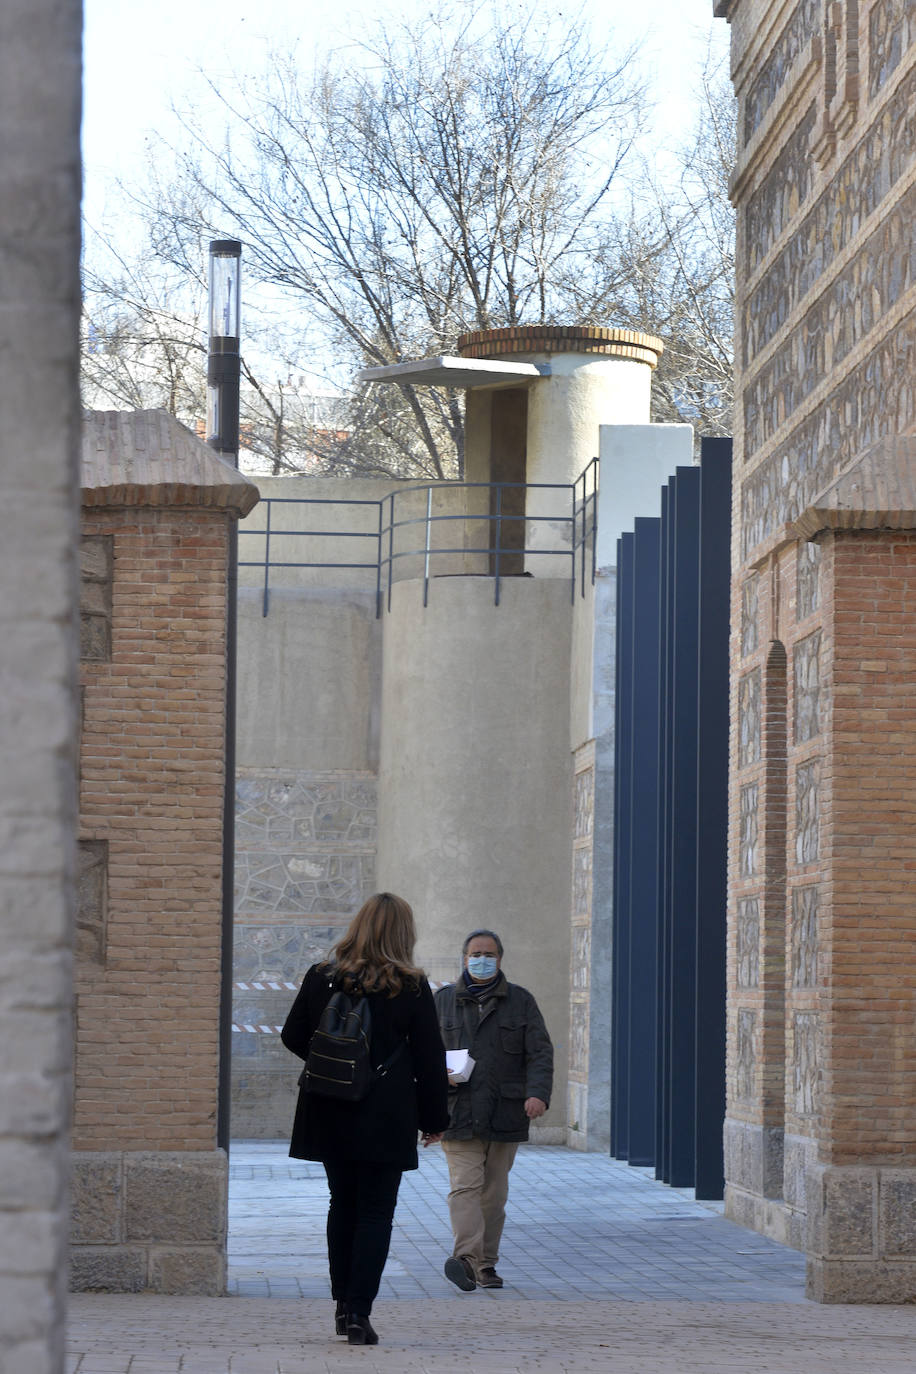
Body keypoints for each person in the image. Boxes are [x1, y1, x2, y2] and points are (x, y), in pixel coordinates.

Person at [281, 892, 449, 1345]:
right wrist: (435, 1118)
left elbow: (292, 1035)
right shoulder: (411, 986)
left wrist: (336, 1068)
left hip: (330, 1106)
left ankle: (340, 1306)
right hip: (386, 1111)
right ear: (403, 933)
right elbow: (431, 1059)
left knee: (342, 1203)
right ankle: (359, 1313)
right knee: (376, 1212)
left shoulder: (322, 977)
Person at [434, 928, 553, 1291]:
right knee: (464, 1187)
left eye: (488, 954)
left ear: (500, 959)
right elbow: (420, 1053)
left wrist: (537, 1094)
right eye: (474, 954)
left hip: (505, 1112)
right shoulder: (442, 1002)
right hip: (458, 1112)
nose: (481, 960)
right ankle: (467, 1261)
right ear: (464, 958)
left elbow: (540, 1053)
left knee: (494, 1194)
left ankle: (486, 1263)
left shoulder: (521, 1001)